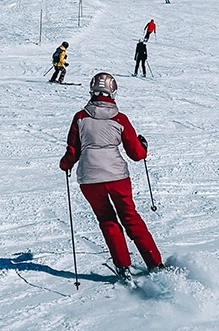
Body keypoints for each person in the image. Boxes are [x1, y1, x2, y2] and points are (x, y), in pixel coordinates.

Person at [59, 72, 162, 277]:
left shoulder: (80, 118)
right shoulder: (120, 119)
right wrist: (143, 147)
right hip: (117, 178)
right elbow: (136, 154)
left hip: (90, 180)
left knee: (107, 219)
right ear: (113, 92)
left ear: (92, 90)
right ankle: (155, 263)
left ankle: (123, 267)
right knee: (130, 217)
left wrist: (65, 165)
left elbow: (73, 152)